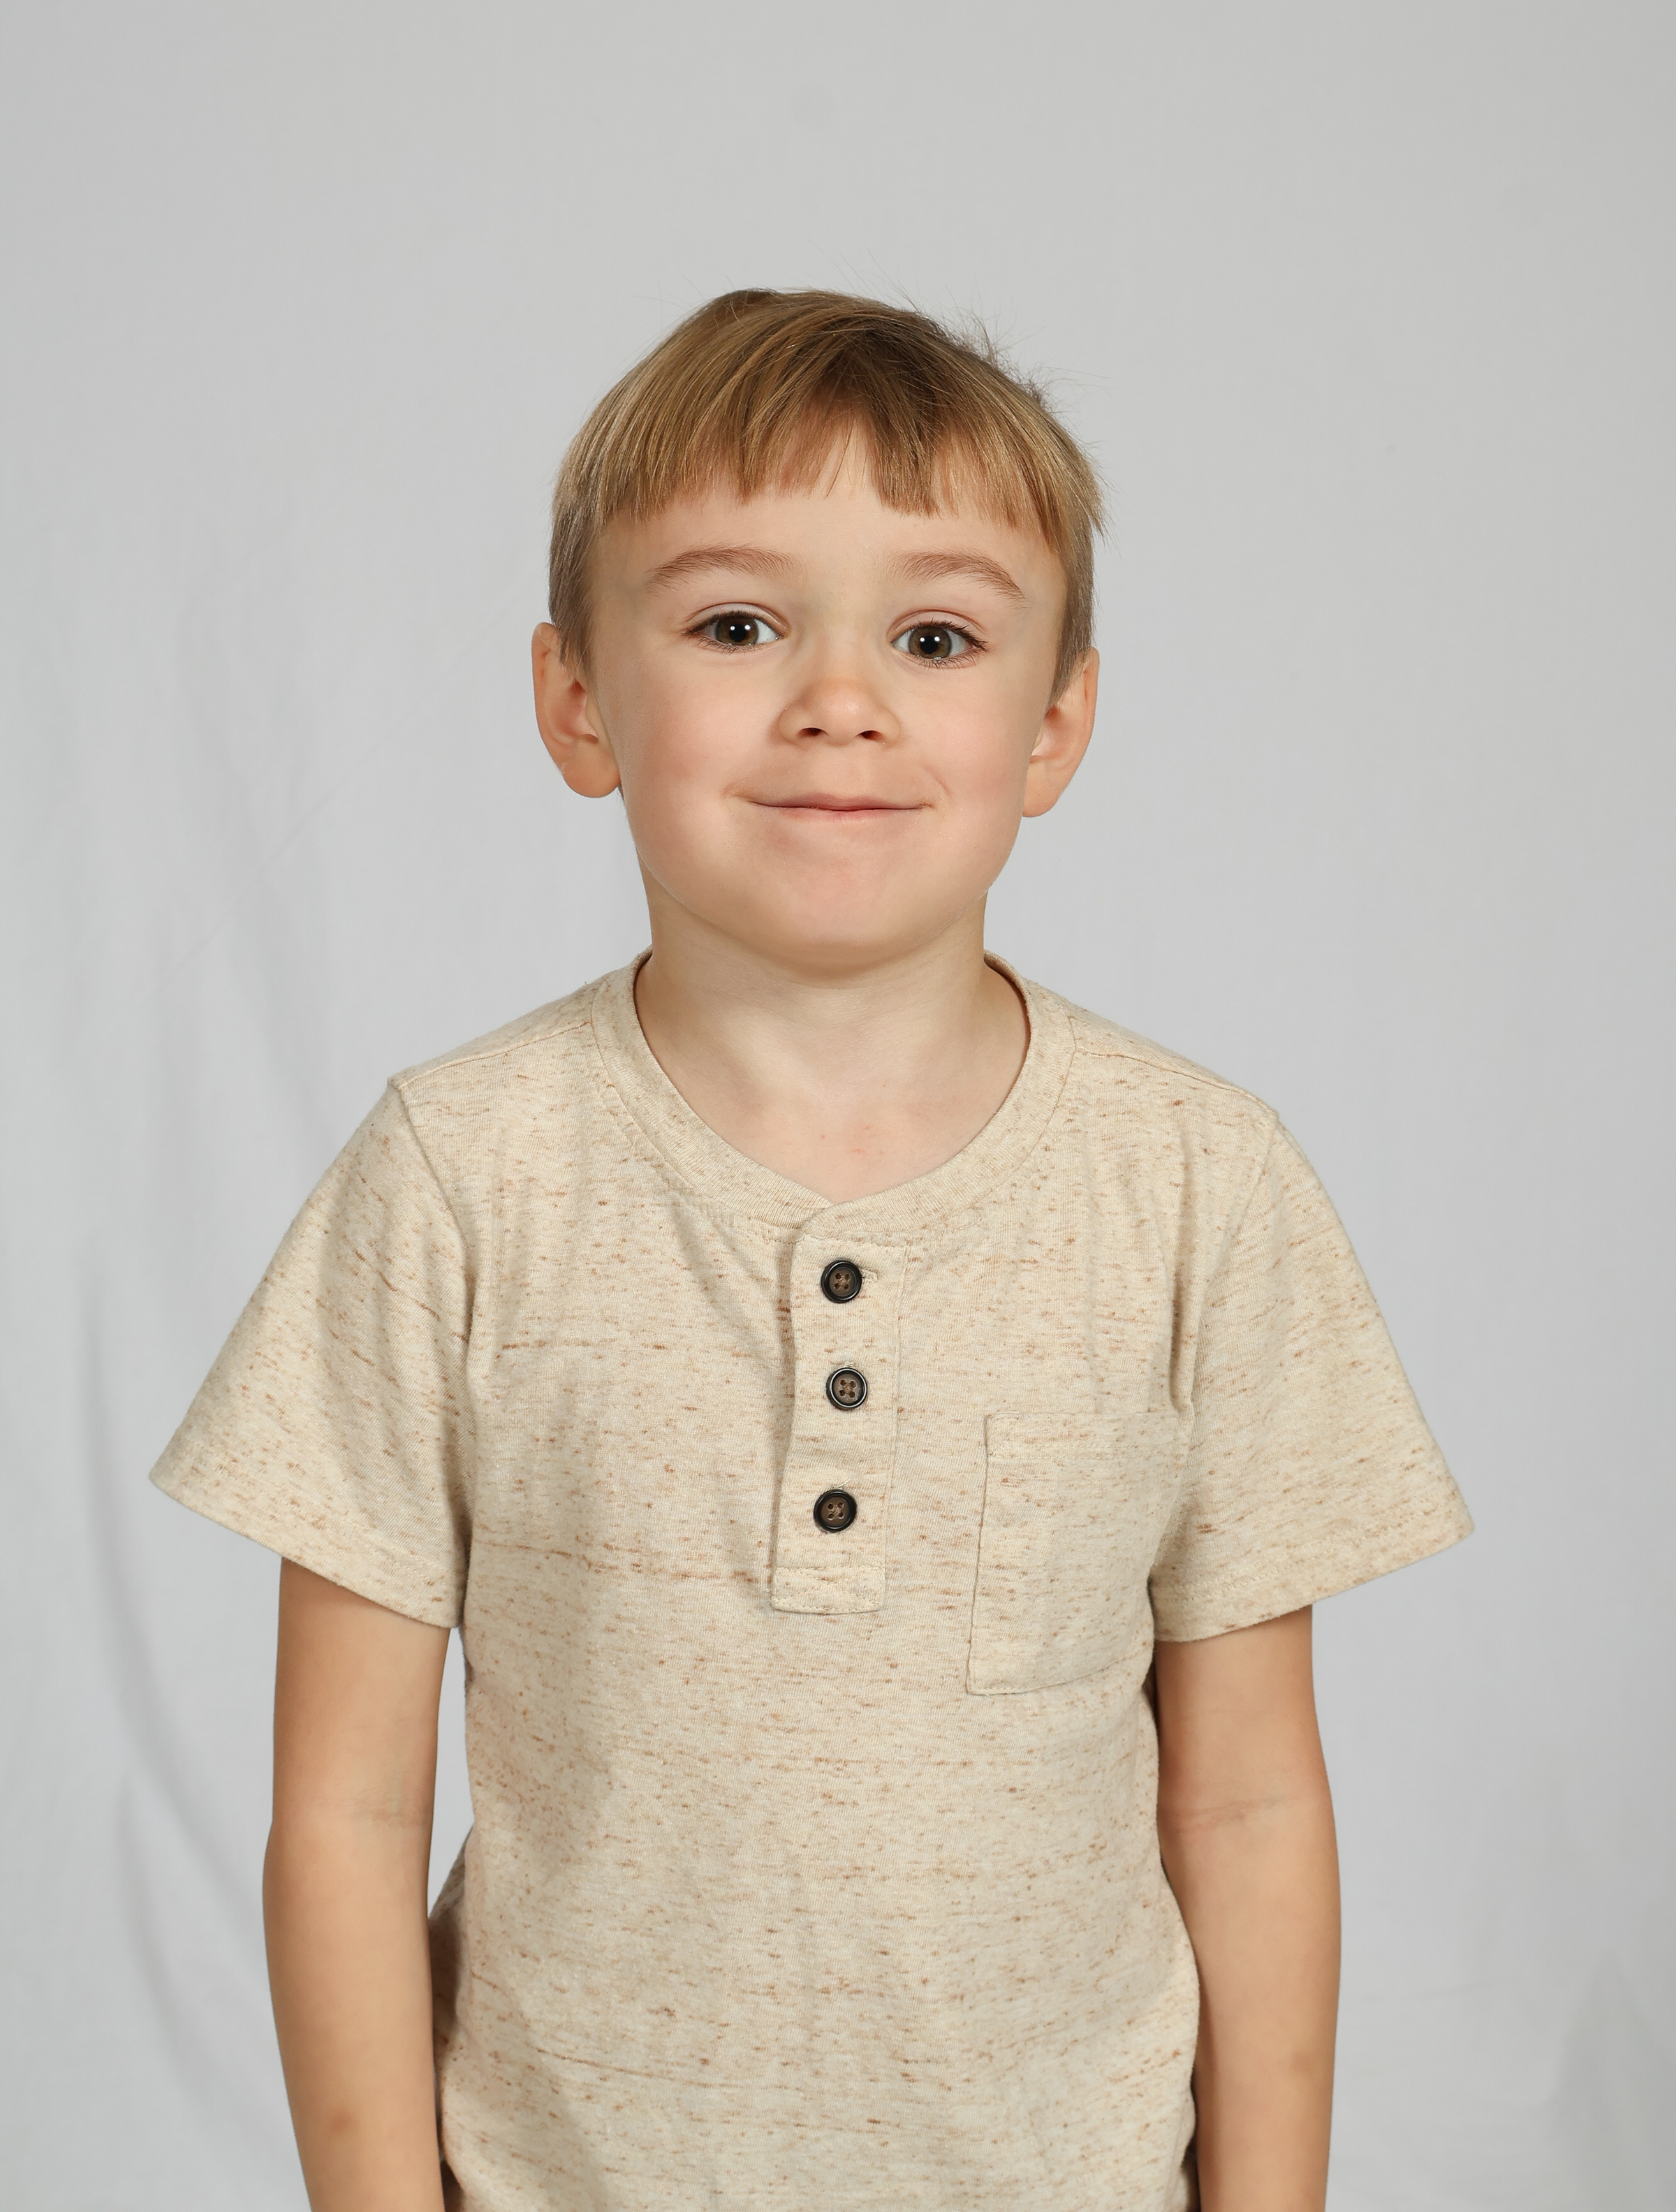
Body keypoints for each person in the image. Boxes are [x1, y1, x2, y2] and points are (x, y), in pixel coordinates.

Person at [152, 288, 1471, 2212]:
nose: (839, 700)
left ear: (1056, 721)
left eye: (935, 637)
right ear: (578, 701)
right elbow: (345, 1812)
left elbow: (1256, 1798)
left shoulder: (1200, 1184)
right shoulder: (457, 1176)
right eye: (736, 625)